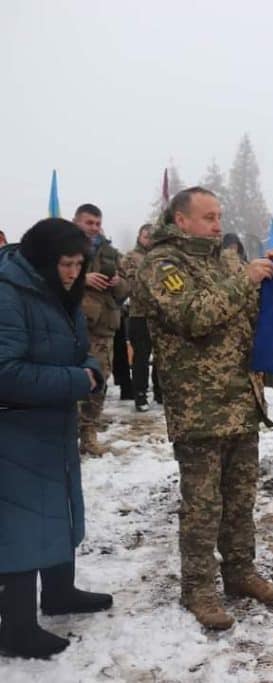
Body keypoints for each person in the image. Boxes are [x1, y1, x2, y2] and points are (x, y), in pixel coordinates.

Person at [136, 187, 273, 630]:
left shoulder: (224, 259)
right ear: (181, 220)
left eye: (219, 216)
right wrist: (246, 279)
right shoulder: (162, 265)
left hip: (241, 399)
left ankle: (240, 572)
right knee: (202, 506)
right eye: (208, 217)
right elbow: (194, 315)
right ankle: (198, 588)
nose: (217, 224)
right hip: (199, 406)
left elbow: (248, 311)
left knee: (240, 500)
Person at [0, 219, 113, 660]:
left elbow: (75, 346)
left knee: (58, 506)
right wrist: (76, 379)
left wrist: (90, 368)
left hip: (51, 422)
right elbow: (5, 372)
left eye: (79, 264)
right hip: (15, 428)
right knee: (21, 524)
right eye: (66, 264)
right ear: (43, 260)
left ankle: (60, 591)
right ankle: (18, 628)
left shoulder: (54, 289)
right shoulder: (9, 294)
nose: (73, 273)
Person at [74, 204, 129, 456]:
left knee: (97, 384)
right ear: (77, 222)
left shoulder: (111, 253)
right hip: (71, 327)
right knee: (68, 384)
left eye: (97, 223)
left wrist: (118, 282)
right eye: (89, 223)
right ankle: (64, 436)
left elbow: (126, 290)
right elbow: (46, 280)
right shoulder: (61, 249)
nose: (94, 228)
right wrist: (82, 279)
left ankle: (88, 435)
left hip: (103, 328)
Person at [122, 224, 162, 411]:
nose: (149, 240)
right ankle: (140, 394)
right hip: (140, 314)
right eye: (146, 236)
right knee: (141, 357)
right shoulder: (131, 257)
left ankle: (160, 392)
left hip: (161, 315)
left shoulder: (162, 257)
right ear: (139, 237)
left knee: (161, 356)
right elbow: (132, 284)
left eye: (152, 237)